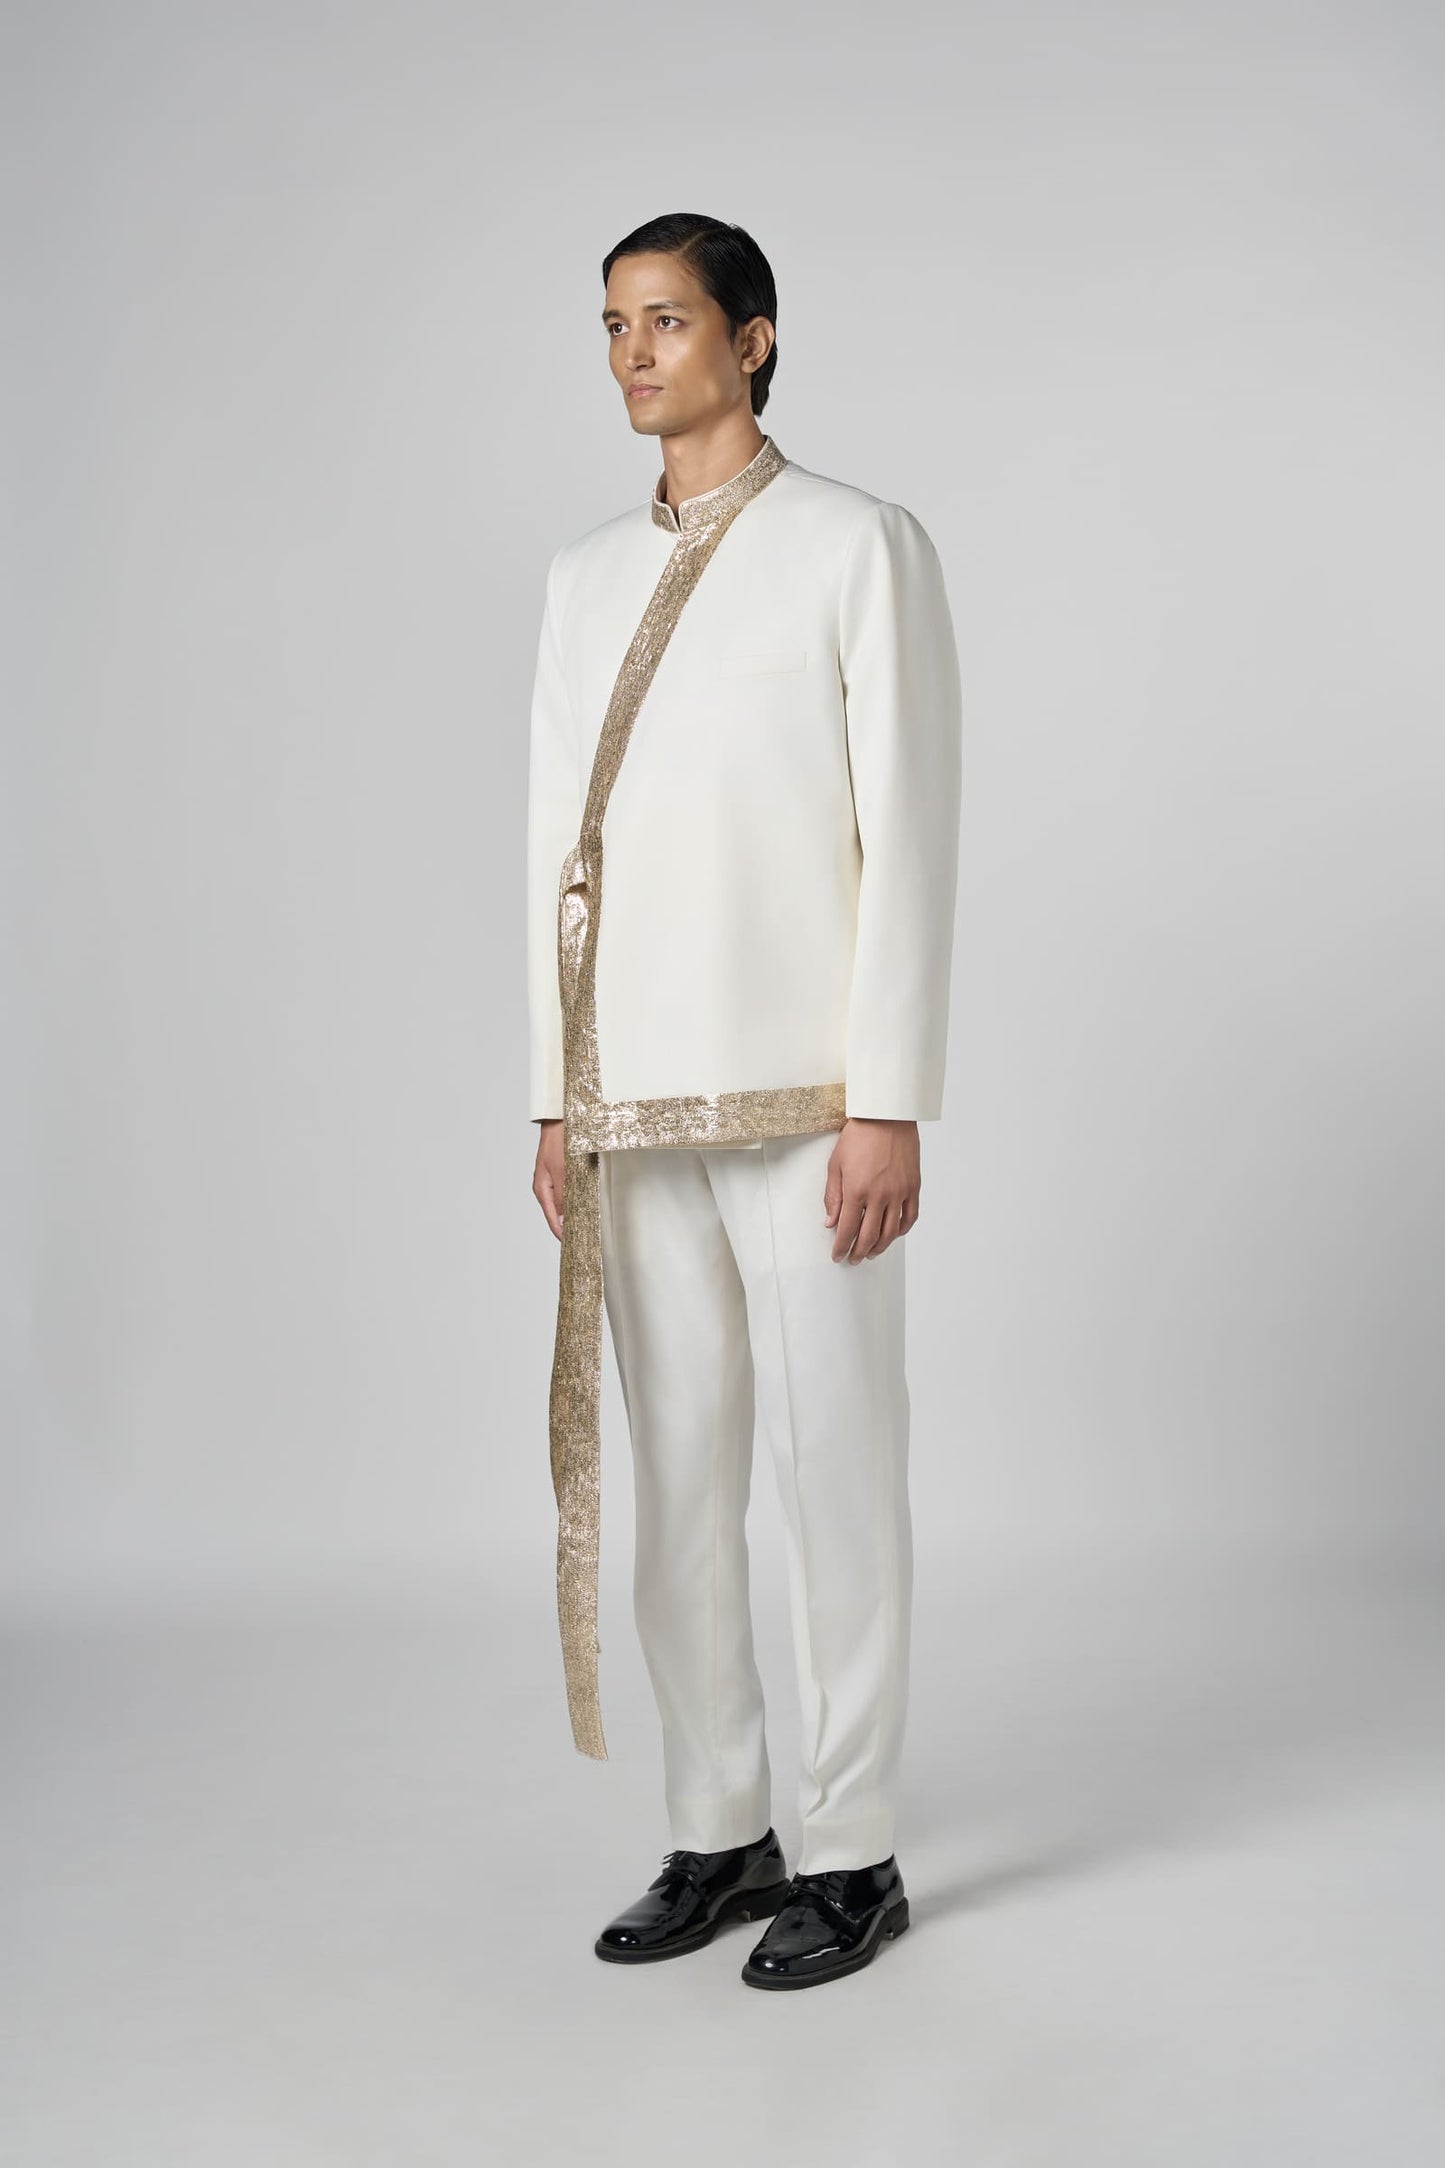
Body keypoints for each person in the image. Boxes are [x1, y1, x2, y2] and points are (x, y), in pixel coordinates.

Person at [525, 211, 962, 1990]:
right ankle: (721, 1826)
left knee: (835, 1474)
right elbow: (551, 850)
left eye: (667, 320)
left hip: (810, 1096)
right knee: (681, 1490)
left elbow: (907, 831)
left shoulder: (857, 543)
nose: (634, 354)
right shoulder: (576, 580)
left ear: (752, 339)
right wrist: (552, 1096)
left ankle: (850, 1850)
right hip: (629, 1105)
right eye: (612, 325)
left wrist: (890, 1099)